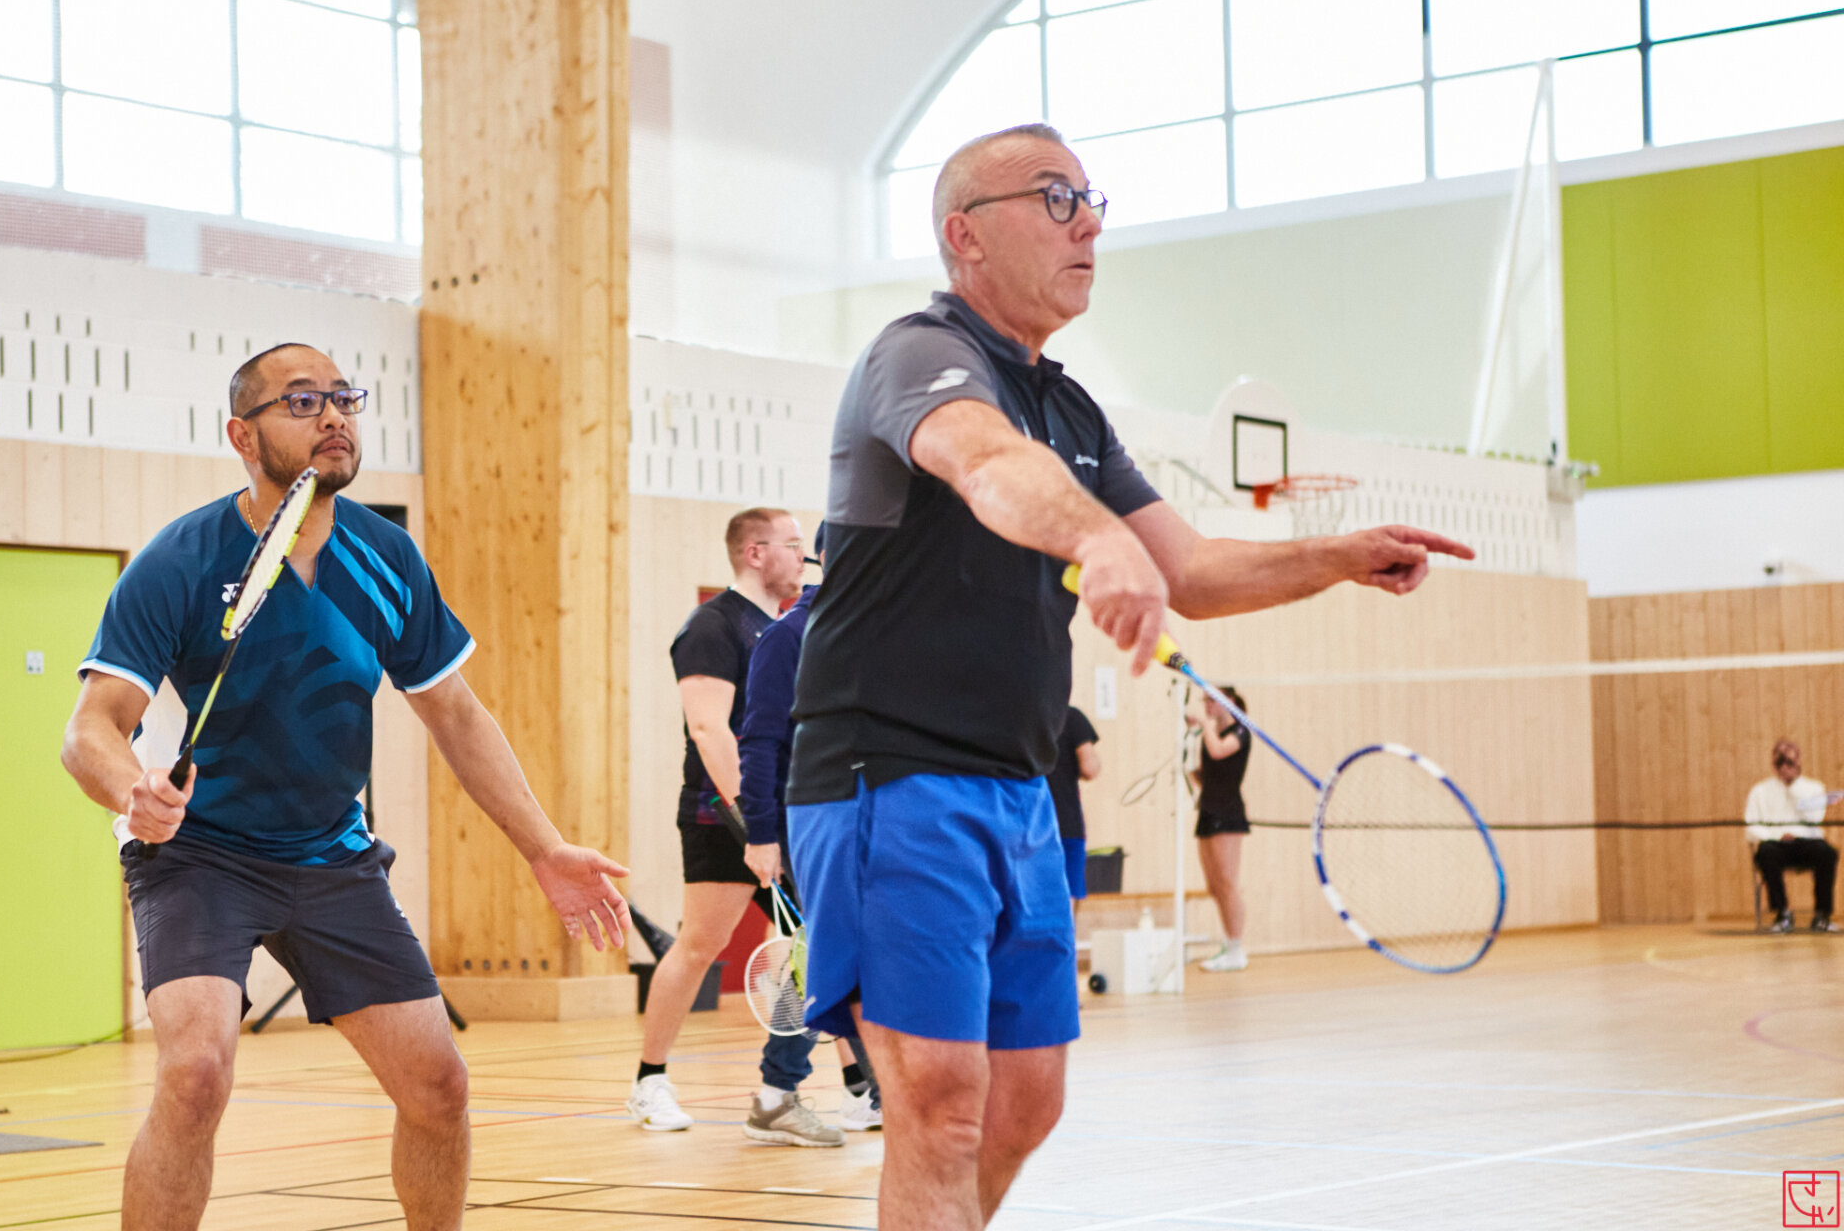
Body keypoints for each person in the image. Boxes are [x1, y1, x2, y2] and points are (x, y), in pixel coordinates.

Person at [784, 122, 1473, 1231]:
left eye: (1091, 199)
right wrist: (1097, 539)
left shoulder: (1074, 410)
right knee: (944, 1105)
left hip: (1019, 790)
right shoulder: (918, 356)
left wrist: (1336, 556)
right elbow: (986, 463)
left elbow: (1189, 570)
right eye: (1056, 198)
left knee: (1024, 1102)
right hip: (890, 776)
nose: (1089, 225)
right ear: (966, 235)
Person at [60, 343, 630, 1231]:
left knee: (438, 1087)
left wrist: (544, 848)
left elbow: (456, 715)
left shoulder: (385, 556)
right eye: (301, 401)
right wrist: (133, 791)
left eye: (343, 397)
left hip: (332, 855)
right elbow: (92, 728)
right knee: (195, 1074)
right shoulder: (181, 559)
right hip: (198, 855)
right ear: (241, 436)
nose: (333, 415)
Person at [625, 506, 830, 1139]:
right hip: (723, 816)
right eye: (792, 544)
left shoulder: (783, 625)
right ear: (755, 553)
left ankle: (849, 1088)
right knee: (700, 947)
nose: (804, 557)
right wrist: (753, 819)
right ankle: (650, 1081)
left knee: (818, 944)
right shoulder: (713, 625)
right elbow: (709, 727)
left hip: (783, 815)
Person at [737, 561, 882, 1137]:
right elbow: (759, 741)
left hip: (868, 820)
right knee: (831, 956)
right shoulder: (788, 637)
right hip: (809, 824)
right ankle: (863, 1090)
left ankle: (782, 1094)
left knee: (820, 959)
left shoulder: (872, 627)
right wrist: (761, 834)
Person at [1186, 687, 1252, 971]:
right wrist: (1189, 759)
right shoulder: (1212, 734)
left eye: (1212, 700)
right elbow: (1205, 775)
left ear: (1230, 702)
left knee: (1227, 882)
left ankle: (1237, 949)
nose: (1207, 705)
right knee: (1214, 886)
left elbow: (1218, 751)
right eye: (1205, 701)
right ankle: (1228, 945)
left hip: (1228, 813)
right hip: (1208, 811)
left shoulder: (1241, 731)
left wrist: (1203, 724)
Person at [1745, 739, 1839, 933]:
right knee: (1765, 852)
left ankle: (1822, 915)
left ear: (1798, 762)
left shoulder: (1814, 788)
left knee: (1827, 853)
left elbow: (1814, 818)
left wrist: (1793, 786)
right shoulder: (1759, 791)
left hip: (1807, 842)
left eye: (1789, 761)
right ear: (1773, 763)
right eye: (1780, 762)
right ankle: (1782, 913)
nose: (1784, 767)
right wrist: (1777, 835)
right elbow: (1751, 826)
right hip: (1776, 843)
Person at [1047, 705, 1100, 910]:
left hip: (1025, 823)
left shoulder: (1021, 717)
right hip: (1066, 824)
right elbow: (1090, 768)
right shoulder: (1071, 717)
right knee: (1067, 898)